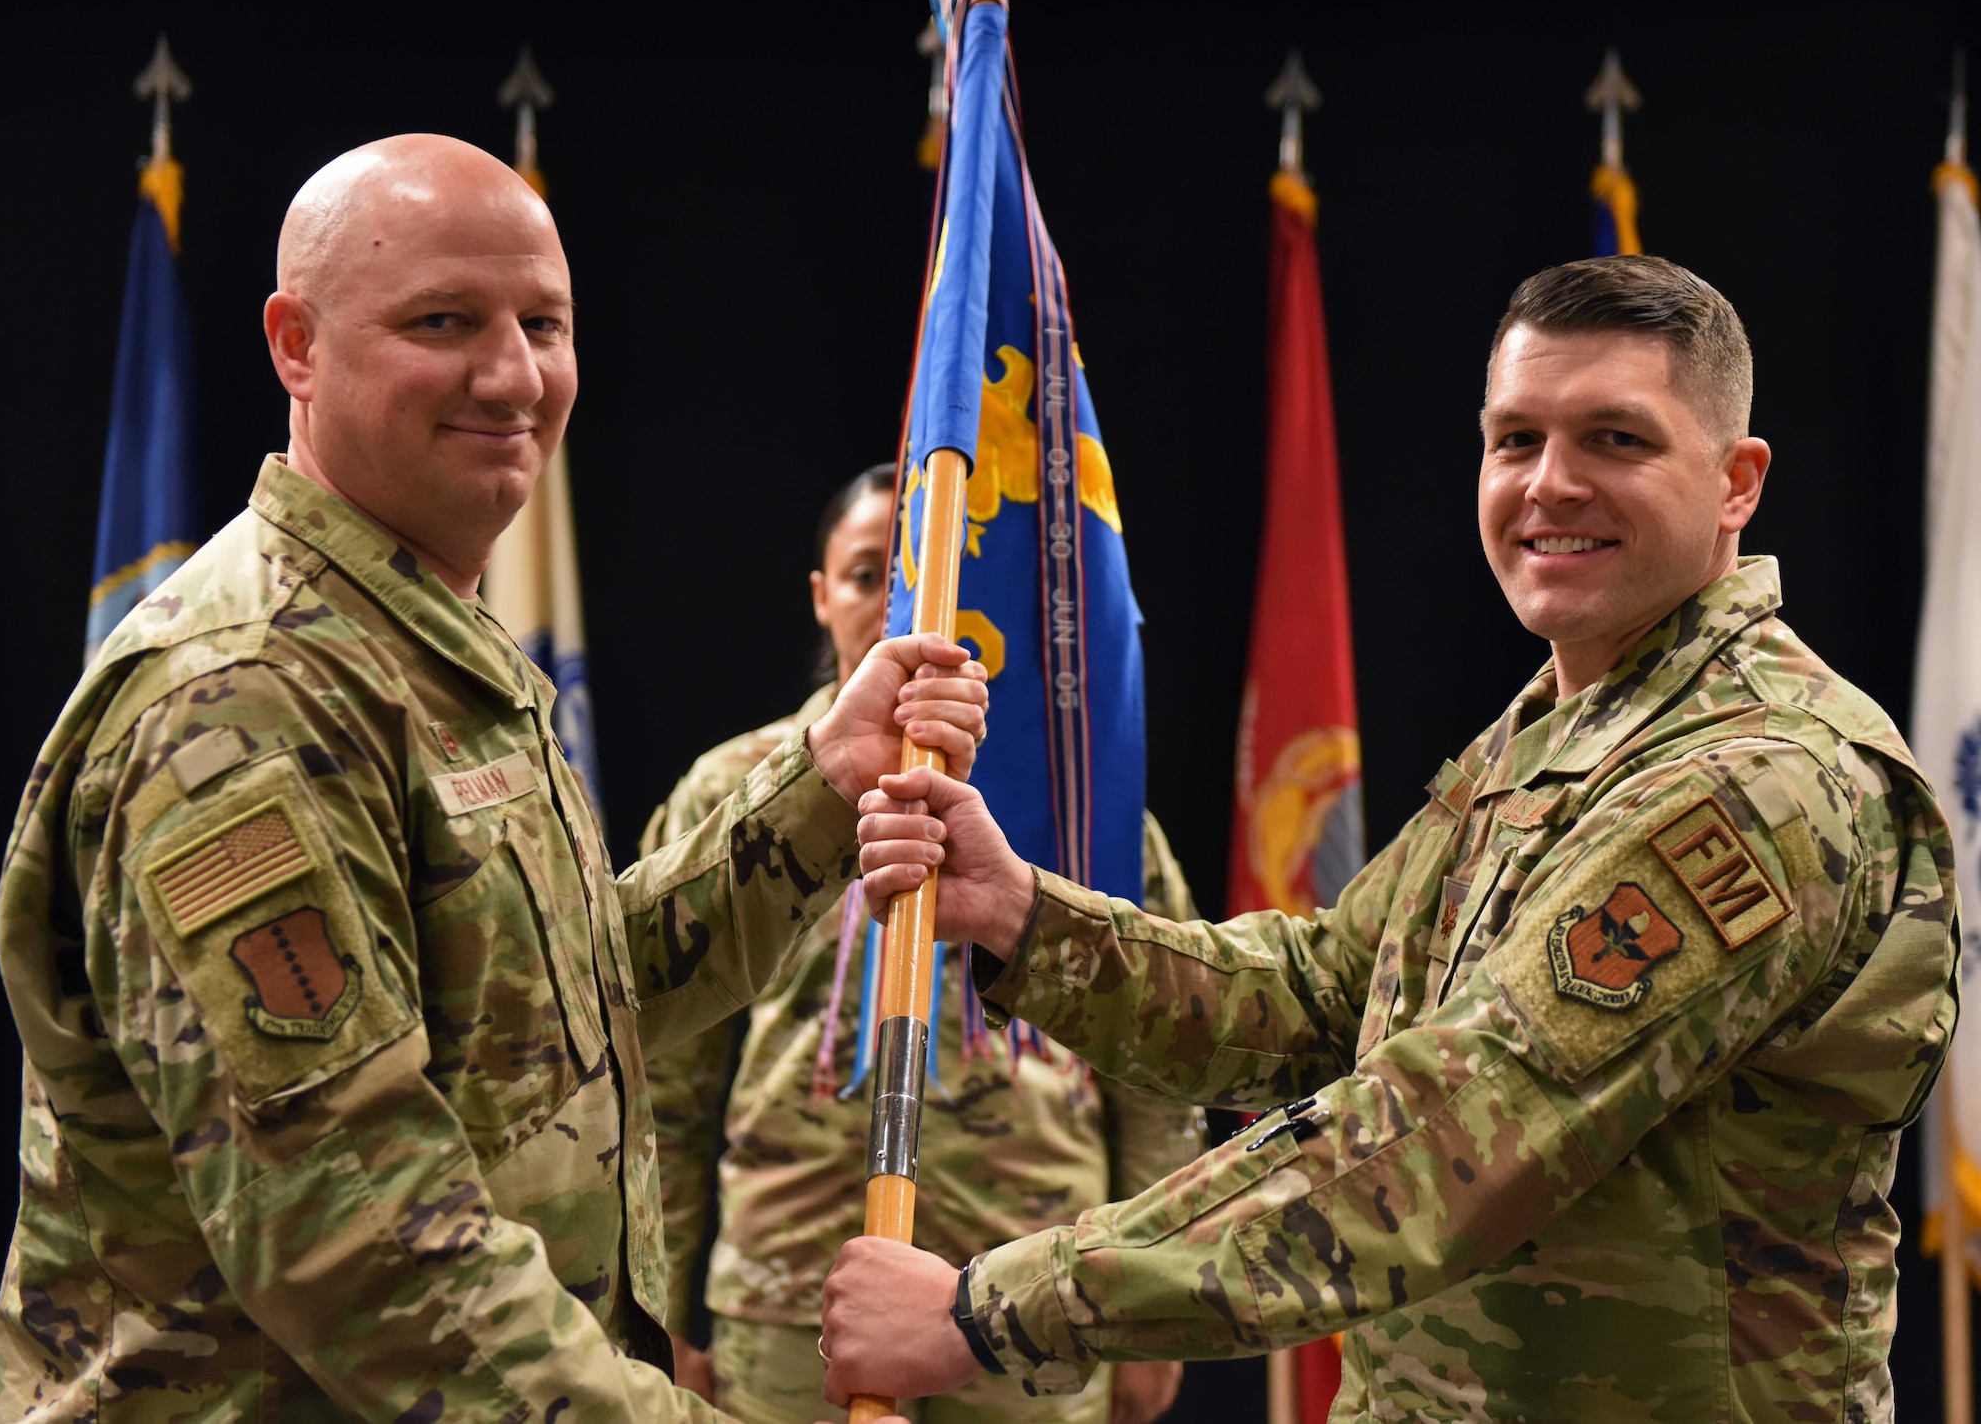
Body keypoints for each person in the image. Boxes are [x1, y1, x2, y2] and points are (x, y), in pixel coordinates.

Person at [824, 256, 1959, 1422]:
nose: (1548, 486)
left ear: (1735, 482)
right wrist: (1021, 914)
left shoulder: (1758, 780)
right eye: (1514, 440)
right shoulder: (1551, 734)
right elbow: (1323, 998)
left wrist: (991, 1309)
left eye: (1614, 440)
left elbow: (1443, 1136)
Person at [0, 134, 987, 1423]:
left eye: (546, 323)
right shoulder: (242, 697)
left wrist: (820, 785)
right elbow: (366, 1243)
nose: (515, 375)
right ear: (296, 344)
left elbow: (562, 1010)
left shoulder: (415, 640)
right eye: (444, 320)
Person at [644, 465, 1199, 1424]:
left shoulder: (1078, 800)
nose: (901, 607)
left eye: (928, 580)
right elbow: (666, 1077)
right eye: (868, 575)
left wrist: (1152, 1303)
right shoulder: (732, 791)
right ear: (820, 595)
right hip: (792, 1285)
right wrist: (655, 1311)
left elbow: (1156, 1065)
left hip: (1030, 1281)